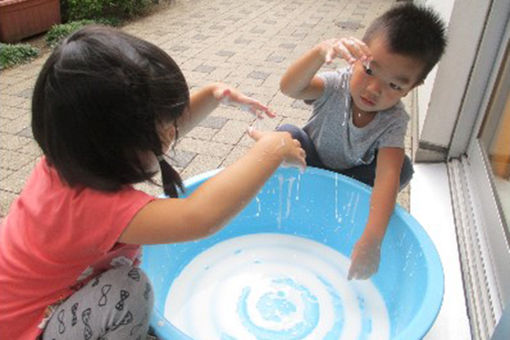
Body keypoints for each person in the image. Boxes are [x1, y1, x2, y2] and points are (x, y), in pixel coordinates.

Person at [0, 25, 306, 340]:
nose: (173, 132)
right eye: (164, 126)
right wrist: (271, 149)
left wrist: (214, 95)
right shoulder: (96, 207)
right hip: (25, 329)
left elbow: (152, 138)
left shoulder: (68, 157)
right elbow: (199, 218)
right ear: (114, 144)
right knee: (130, 291)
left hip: (18, 298)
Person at [278, 3, 446, 280]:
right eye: (369, 70)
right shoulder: (336, 86)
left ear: (412, 88)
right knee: (286, 134)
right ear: (354, 58)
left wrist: (371, 240)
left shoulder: (394, 120)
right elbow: (289, 87)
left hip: (354, 177)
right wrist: (320, 53)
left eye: (395, 85)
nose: (373, 89)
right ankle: (272, 185)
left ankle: (353, 204)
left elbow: (388, 176)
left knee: (400, 168)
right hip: (313, 161)